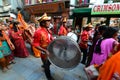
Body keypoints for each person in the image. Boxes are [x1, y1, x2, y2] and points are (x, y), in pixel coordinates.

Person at [32, 13, 54, 80]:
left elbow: (50, 38)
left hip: (50, 50)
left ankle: (44, 64)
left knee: (50, 62)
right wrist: (45, 50)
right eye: (48, 21)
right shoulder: (38, 32)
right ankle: (49, 77)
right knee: (47, 66)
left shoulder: (48, 30)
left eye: (49, 21)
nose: (49, 22)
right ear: (43, 23)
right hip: (44, 52)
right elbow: (35, 44)